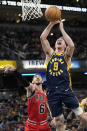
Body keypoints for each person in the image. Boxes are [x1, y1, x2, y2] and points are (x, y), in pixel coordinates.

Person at [40, 20, 87, 131]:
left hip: (65, 90)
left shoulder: (66, 57)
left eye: (61, 40)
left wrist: (62, 29)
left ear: (65, 46)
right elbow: (42, 38)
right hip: (52, 92)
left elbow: (72, 45)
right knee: (59, 122)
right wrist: (51, 24)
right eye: (57, 40)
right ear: (55, 45)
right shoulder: (50, 54)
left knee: (82, 117)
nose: (59, 40)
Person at [3, 66, 51, 131]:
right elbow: (24, 82)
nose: (37, 77)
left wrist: (53, 117)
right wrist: (15, 72)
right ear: (32, 82)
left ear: (42, 81)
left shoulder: (45, 93)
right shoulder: (31, 89)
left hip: (44, 124)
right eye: (35, 77)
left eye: (39, 76)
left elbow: (48, 106)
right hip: (32, 125)